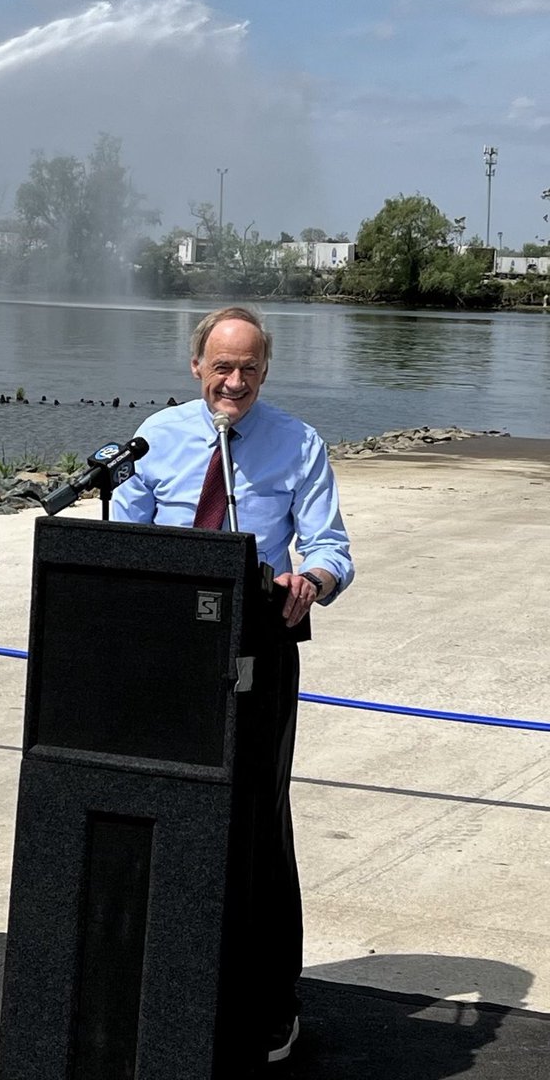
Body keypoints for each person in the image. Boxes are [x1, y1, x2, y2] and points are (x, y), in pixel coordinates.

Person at [110, 305, 354, 1065]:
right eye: (222, 367)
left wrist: (310, 580)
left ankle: (268, 1004)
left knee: (256, 827)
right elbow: (119, 534)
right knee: (163, 816)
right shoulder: (157, 438)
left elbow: (332, 549)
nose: (235, 382)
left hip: (259, 651)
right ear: (196, 368)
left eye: (249, 368)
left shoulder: (298, 443)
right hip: (168, 654)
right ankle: (166, 986)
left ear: (265, 371)